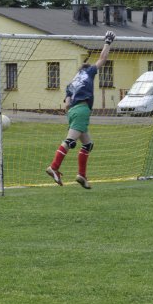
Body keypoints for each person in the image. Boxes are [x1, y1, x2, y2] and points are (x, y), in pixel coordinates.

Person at [45, 31, 115, 188]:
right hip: (82, 110)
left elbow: (67, 105)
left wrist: (72, 119)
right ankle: (54, 167)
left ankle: (82, 176)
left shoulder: (71, 84)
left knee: (87, 144)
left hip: (73, 112)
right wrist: (108, 42)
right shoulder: (88, 72)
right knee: (69, 141)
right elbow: (102, 59)